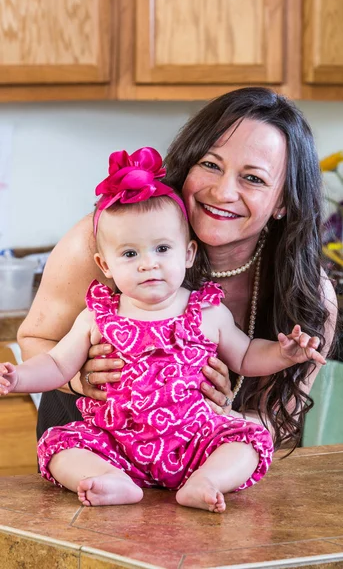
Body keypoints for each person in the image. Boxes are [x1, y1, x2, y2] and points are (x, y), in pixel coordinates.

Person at [17, 86, 337, 457]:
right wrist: (80, 378)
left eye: (253, 179)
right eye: (211, 164)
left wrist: (221, 417)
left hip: (202, 478)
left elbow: (279, 421)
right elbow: (34, 340)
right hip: (88, 466)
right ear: (187, 163)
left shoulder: (308, 294)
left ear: (282, 201)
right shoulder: (103, 242)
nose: (223, 191)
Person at [0, 149, 326, 512]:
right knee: (61, 447)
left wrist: (283, 354)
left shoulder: (207, 312)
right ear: (104, 264)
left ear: (187, 254)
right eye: (129, 255)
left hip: (193, 440)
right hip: (114, 442)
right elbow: (57, 365)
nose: (148, 264)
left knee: (249, 441)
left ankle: (207, 481)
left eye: (161, 249)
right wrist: (19, 377)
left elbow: (247, 355)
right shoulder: (98, 317)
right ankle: (113, 482)